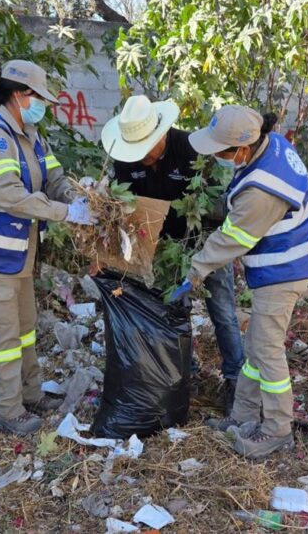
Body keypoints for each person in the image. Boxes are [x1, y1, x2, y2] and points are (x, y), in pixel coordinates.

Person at [0, 60, 98, 435]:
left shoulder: (30, 134)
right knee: (5, 336)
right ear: (17, 95)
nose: (41, 104)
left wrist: (81, 197)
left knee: (26, 327)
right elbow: (11, 196)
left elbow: (54, 177)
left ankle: (31, 394)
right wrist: (67, 213)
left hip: (15, 252)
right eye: (36, 97)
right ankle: (8, 410)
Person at [170, 105, 308, 459]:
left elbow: (233, 238)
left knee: (267, 351)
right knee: (255, 348)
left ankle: (277, 430)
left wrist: (195, 271)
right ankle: (243, 416)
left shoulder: (261, 190)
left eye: (220, 152)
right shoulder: (273, 144)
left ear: (241, 150)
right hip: (289, 258)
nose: (216, 157)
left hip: (282, 271)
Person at [100, 95, 245, 414]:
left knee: (222, 311)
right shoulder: (125, 161)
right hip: (164, 250)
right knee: (172, 312)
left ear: (160, 135)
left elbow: (222, 198)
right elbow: (127, 212)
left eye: (145, 149)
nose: (141, 157)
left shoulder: (191, 149)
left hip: (206, 244)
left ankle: (236, 380)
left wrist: (208, 221)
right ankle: (184, 374)